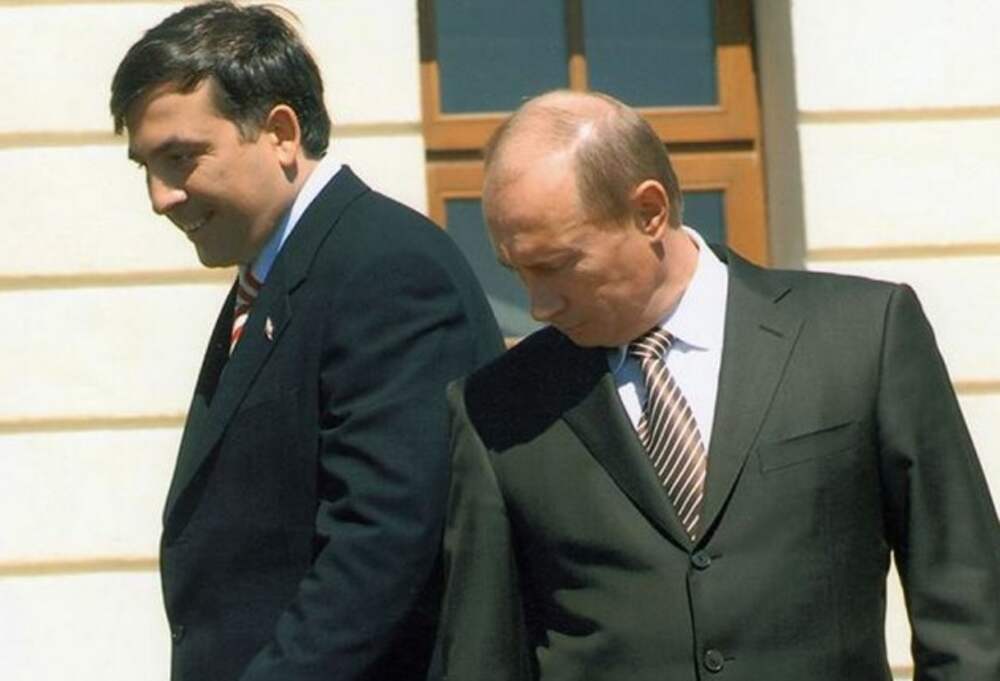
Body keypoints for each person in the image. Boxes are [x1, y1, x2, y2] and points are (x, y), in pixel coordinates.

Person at [438, 90, 1000, 680]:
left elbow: (969, 608)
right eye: (517, 271)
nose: (538, 305)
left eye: (555, 265)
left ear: (649, 211)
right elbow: (481, 657)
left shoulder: (860, 336)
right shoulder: (496, 409)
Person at [109, 3, 503, 680]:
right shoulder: (282, 273)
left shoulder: (384, 268)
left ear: (281, 133)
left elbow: (380, 545)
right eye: (146, 166)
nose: (160, 196)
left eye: (180, 158)